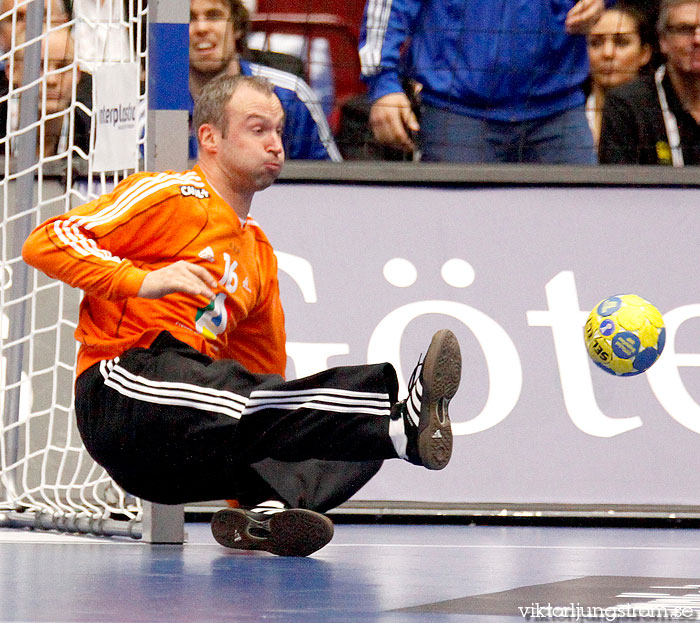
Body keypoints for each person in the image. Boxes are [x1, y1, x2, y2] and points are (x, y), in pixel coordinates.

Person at [21, 74, 462, 557]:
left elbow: (262, 381)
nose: (275, 144)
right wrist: (142, 281)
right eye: (257, 129)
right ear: (210, 138)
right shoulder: (173, 197)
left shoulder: (258, 256)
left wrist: (256, 480)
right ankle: (394, 419)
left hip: (179, 455)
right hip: (125, 393)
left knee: (324, 433)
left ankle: (269, 510)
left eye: (278, 130)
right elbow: (48, 240)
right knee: (306, 410)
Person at [359, 0, 612, 164]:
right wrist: (383, 84)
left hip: (557, 111)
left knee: (576, 232)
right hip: (458, 115)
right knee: (456, 237)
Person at [188, 0, 341, 162]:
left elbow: (330, 181)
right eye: (188, 18)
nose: (201, 28)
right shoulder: (160, 100)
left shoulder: (291, 95)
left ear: (237, 27)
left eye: (214, 16)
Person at [599, 0, 700, 164]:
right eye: (685, 30)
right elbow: (618, 186)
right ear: (663, 40)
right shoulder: (627, 106)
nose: (697, 40)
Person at [2, 25, 89, 157]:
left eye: (62, 67)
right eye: (38, 66)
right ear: (12, 70)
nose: (51, 80)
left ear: (77, 74)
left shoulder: (94, 133)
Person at [586, 4, 653, 148]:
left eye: (621, 42)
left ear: (644, 54)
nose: (608, 53)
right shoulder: (563, 121)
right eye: (595, 43)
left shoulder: (661, 119)